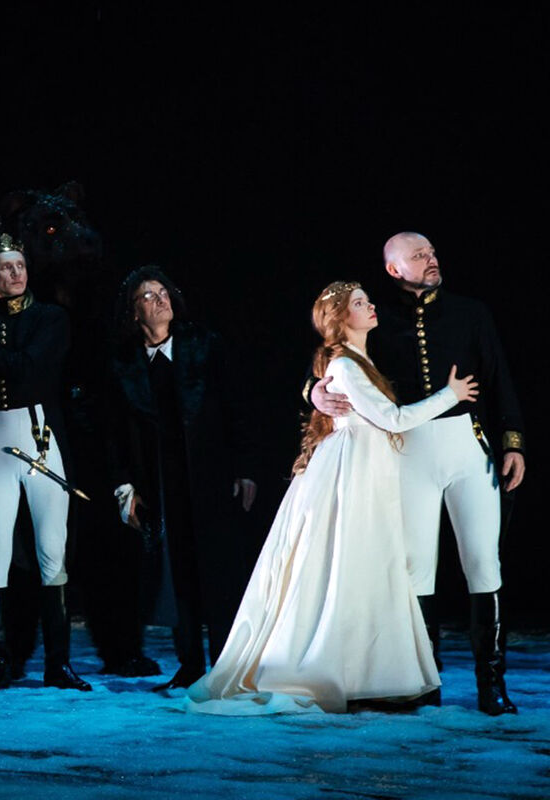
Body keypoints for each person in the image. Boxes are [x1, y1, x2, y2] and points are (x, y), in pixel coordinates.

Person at [188, 281, 477, 714]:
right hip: (352, 469)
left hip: (369, 466)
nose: (371, 306)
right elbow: (392, 418)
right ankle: (326, 669)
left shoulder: (360, 359)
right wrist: (449, 396)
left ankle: (367, 675)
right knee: (344, 564)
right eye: (359, 303)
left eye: (367, 300)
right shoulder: (343, 364)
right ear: (341, 318)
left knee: (364, 569)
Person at [311, 233, 524, 715]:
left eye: (431, 252)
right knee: (415, 571)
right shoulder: (376, 318)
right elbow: (334, 361)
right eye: (419, 255)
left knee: (484, 564)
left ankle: (492, 684)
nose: (431, 259)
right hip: (407, 451)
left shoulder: (470, 312)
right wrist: (314, 392)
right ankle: (424, 682)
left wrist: (513, 442)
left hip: (466, 445)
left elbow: (499, 378)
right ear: (394, 268)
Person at [0, 233, 90, 692]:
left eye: (20, 265)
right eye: (5, 268)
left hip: (41, 440)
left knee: (52, 552)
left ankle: (58, 663)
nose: (15, 273)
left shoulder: (50, 318)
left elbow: (30, 369)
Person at [105, 266, 258, 689]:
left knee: (219, 574)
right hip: (159, 480)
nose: (160, 300)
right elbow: (116, 432)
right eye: (148, 296)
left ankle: (227, 664)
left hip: (210, 474)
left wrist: (244, 468)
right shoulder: (125, 363)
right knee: (178, 575)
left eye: (163, 292)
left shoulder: (203, 345)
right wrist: (124, 486)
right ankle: (189, 663)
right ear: (133, 312)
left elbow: (235, 406)